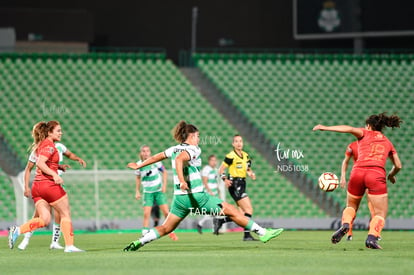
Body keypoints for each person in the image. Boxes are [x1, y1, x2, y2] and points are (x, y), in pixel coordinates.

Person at [123, 121, 283, 251]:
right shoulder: (194, 149)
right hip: (197, 197)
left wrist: (140, 165)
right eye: (198, 136)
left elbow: (158, 156)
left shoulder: (174, 148)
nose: (199, 139)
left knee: (166, 228)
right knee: (232, 210)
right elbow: (179, 160)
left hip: (179, 199)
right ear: (191, 136)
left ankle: (140, 241)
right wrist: (182, 180)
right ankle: (262, 233)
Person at [313, 113, 402, 249]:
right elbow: (398, 165)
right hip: (376, 175)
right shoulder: (388, 142)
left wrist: (325, 127)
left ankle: (345, 225)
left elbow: (348, 128)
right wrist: (390, 175)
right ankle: (371, 238)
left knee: (351, 206)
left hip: (357, 173)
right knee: (380, 213)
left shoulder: (364, 133)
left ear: (369, 125)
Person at [8, 121, 84, 252]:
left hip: (37, 188)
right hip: (48, 185)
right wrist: (55, 175)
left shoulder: (41, 146)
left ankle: (18, 230)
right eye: (58, 131)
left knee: (44, 219)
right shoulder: (49, 146)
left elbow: (45, 162)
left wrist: (58, 167)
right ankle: (69, 246)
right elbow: (41, 163)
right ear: (49, 132)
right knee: (65, 213)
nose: (61, 133)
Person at [214, 135, 257, 241]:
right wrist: (225, 179)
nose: (239, 143)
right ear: (233, 144)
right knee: (249, 209)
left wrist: (251, 173)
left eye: (241, 141)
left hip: (242, 183)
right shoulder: (230, 156)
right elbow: (221, 170)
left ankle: (221, 221)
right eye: (236, 141)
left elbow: (248, 169)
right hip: (235, 184)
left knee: (240, 214)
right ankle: (247, 235)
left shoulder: (246, 156)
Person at [134, 145, 178, 241]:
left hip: (158, 191)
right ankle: (144, 234)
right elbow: (137, 178)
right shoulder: (139, 165)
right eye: (143, 151)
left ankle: (172, 232)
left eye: (147, 151)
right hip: (147, 193)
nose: (145, 153)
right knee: (146, 213)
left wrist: (164, 185)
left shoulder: (156, 162)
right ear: (140, 153)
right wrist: (137, 191)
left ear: (150, 152)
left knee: (166, 212)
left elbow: (164, 172)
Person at [340, 141, 375, 241]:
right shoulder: (374, 145)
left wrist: (343, 176)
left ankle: (349, 233)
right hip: (370, 176)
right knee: (373, 206)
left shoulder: (352, 145)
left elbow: (345, 161)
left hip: (357, 175)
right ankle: (373, 233)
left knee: (351, 207)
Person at [197, 154, 220, 234]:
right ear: (209, 161)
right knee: (213, 211)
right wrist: (209, 191)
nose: (214, 162)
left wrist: (218, 190)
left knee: (215, 211)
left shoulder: (216, 170)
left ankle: (202, 225)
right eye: (213, 160)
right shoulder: (206, 169)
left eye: (215, 160)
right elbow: (204, 181)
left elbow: (215, 182)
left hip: (215, 193)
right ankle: (213, 229)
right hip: (209, 193)